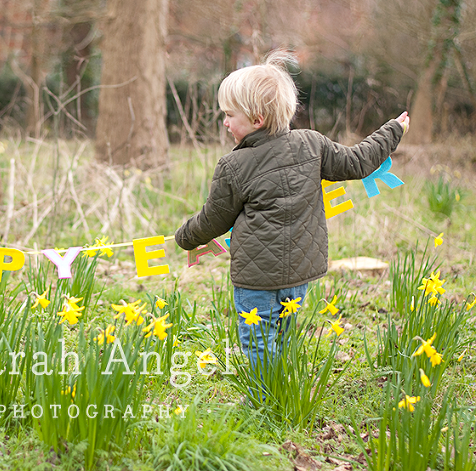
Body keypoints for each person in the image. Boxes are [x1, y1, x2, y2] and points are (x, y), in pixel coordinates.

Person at [175, 51, 408, 386]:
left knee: (258, 342)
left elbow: (214, 220)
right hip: (300, 272)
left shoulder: (233, 166)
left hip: (257, 279)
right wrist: (392, 130)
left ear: (256, 119)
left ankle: (264, 400)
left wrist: (184, 237)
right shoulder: (312, 144)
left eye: (229, 115)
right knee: (283, 335)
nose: (225, 122)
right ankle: (281, 390)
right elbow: (358, 161)